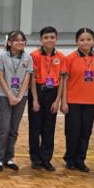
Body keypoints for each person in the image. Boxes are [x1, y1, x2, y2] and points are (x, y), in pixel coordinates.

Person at [61, 28, 94, 172]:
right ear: (76, 41)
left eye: (88, 39)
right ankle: (70, 159)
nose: (85, 42)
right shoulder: (69, 58)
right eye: (82, 39)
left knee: (86, 133)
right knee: (72, 132)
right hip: (73, 102)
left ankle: (80, 160)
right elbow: (64, 81)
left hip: (91, 102)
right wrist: (64, 101)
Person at [0, 30, 32, 172]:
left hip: (22, 97)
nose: (20, 42)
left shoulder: (28, 58)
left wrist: (20, 96)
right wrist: (10, 95)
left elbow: (27, 78)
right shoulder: (2, 57)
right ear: (9, 42)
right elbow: (1, 77)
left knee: (14, 129)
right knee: (4, 128)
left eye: (22, 40)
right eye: (16, 40)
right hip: (4, 96)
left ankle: (9, 157)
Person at [28, 26, 66, 171]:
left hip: (53, 93)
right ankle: (35, 159)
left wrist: (57, 101)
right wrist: (35, 99)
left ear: (56, 39)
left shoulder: (61, 57)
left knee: (49, 128)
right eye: (46, 37)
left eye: (52, 37)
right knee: (35, 127)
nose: (49, 40)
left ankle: (46, 159)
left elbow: (62, 80)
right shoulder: (34, 56)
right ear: (41, 39)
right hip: (38, 91)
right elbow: (32, 79)